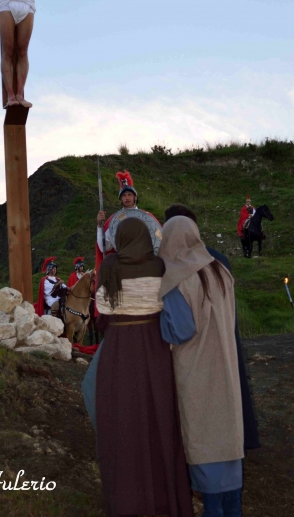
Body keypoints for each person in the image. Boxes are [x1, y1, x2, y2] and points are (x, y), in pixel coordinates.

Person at [92, 218, 194, 517]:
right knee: (160, 417)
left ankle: (127, 501)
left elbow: (101, 317)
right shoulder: (160, 267)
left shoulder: (109, 267)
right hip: (155, 349)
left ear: (120, 239)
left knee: (122, 421)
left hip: (119, 352)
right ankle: (166, 500)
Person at [159, 216, 244, 517]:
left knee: (206, 447)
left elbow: (179, 331)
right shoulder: (220, 270)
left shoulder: (176, 278)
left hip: (197, 372)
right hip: (226, 369)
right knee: (229, 456)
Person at [163, 203, 260, 453]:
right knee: (230, 385)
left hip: (196, 345)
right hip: (225, 334)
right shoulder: (219, 259)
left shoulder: (173, 264)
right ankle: (240, 437)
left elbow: (178, 324)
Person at [95, 170, 162, 270]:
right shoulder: (115, 220)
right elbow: (104, 247)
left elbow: (159, 239)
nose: (127, 198)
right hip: (123, 266)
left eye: (129, 195)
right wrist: (100, 226)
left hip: (145, 264)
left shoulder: (148, 217)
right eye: (124, 195)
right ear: (120, 199)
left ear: (135, 197)